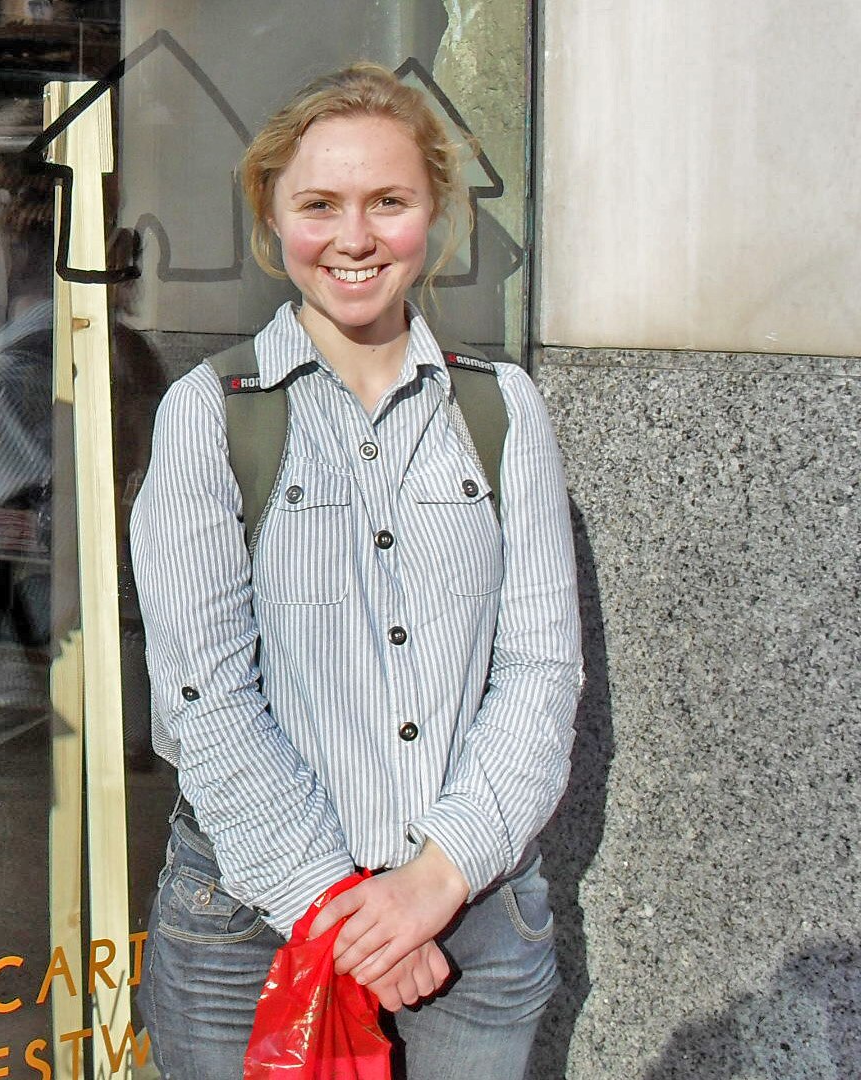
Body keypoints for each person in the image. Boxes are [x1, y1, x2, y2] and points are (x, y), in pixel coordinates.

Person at [129, 62, 582, 1079]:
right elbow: (204, 695)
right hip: (250, 923)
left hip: (472, 916)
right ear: (272, 218)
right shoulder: (211, 411)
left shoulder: (502, 411)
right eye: (319, 205)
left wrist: (433, 881)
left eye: (389, 202)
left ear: (436, 214)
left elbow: (542, 673)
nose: (355, 237)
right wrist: (340, 905)